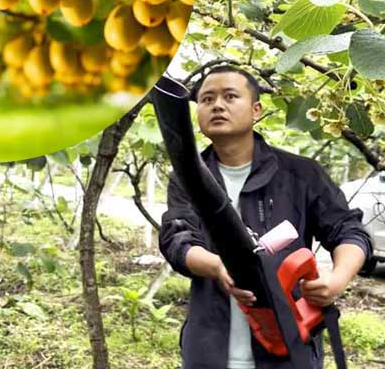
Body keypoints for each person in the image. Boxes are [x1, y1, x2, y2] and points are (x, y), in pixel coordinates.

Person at [159, 65, 372, 369]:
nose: (217, 105)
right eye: (206, 99)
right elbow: (177, 240)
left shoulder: (301, 174)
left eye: (230, 96)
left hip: (288, 349)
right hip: (209, 350)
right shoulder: (187, 178)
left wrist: (337, 280)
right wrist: (218, 266)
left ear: (256, 110)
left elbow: (348, 230)